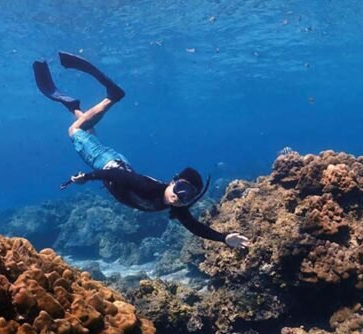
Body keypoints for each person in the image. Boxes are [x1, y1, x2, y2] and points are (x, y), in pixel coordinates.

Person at [32, 52, 250, 248]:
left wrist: (224, 238)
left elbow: (195, 227)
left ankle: (74, 106)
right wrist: (86, 178)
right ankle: (112, 97)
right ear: (173, 181)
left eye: (187, 196)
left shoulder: (176, 205)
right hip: (105, 162)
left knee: (88, 133)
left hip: (118, 163)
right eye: (180, 189)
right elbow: (114, 175)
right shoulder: (148, 188)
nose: (179, 197)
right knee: (75, 131)